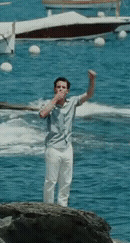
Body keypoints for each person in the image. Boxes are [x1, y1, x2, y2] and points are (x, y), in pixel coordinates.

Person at [39, 70, 97, 207]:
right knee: (50, 181)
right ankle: (48, 207)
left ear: (67, 91)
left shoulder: (72, 102)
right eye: (58, 87)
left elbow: (89, 94)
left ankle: (62, 207)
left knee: (66, 181)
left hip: (67, 148)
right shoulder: (49, 104)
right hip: (53, 147)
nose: (60, 89)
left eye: (63, 88)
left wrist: (92, 80)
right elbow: (42, 114)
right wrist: (55, 99)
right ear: (54, 89)